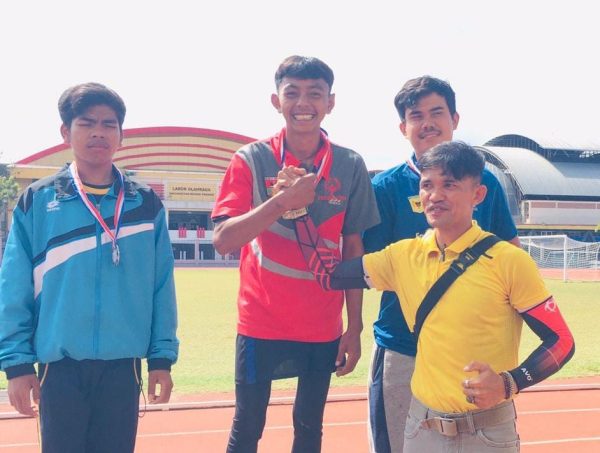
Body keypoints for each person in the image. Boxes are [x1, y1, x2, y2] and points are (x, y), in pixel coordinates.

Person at [291, 141, 575, 452]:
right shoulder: (402, 256)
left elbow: (561, 341)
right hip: (421, 429)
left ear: (478, 194)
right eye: (427, 185)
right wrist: (298, 212)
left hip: (488, 433)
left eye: (449, 185)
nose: (435, 195)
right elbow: (328, 275)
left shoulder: (509, 261)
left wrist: (510, 382)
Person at [211, 55, 379, 452]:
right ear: (276, 100)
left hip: (322, 324)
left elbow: (353, 249)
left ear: (330, 102)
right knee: (247, 427)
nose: (303, 103)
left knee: (309, 428)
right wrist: (283, 202)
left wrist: (354, 327)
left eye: (315, 94)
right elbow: (224, 240)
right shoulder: (251, 159)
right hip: (260, 321)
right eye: (293, 93)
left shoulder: (350, 164)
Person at [0, 82, 178, 453]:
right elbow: (13, 287)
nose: (98, 132)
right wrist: (17, 364)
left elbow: (161, 286)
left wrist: (161, 357)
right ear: (66, 132)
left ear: (121, 136)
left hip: (123, 367)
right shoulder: (38, 200)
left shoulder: (145, 204)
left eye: (109, 124)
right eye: (86, 123)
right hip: (59, 368)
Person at [362, 75, 521, 452]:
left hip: (468, 352)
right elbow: (367, 267)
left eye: (437, 113)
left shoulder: (485, 184)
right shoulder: (385, 187)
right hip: (403, 348)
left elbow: (509, 252)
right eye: (416, 116)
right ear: (403, 127)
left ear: (455, 119)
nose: (427, 123)